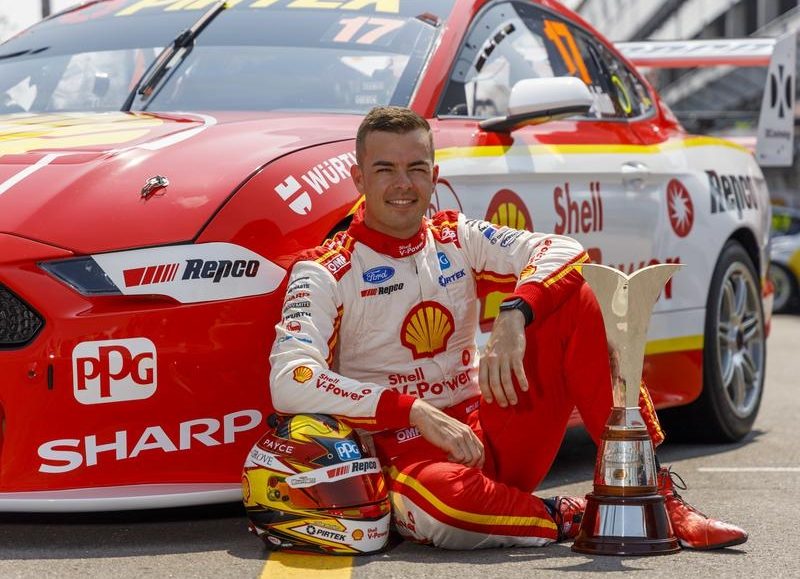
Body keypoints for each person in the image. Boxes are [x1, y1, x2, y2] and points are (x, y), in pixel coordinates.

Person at [268, 106, 747, 550]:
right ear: (358, 178)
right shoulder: (323, 269)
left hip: (490, 432)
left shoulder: (457, 236)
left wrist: (516, 313)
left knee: (577, 297)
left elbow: (565, 250)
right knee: (445, 509)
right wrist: (412, 410)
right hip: (409, 457)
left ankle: (653, 493)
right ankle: (572, 515)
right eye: (384, 169)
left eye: (416, 168)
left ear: (434, 175)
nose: (403, 184)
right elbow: (289, 379)